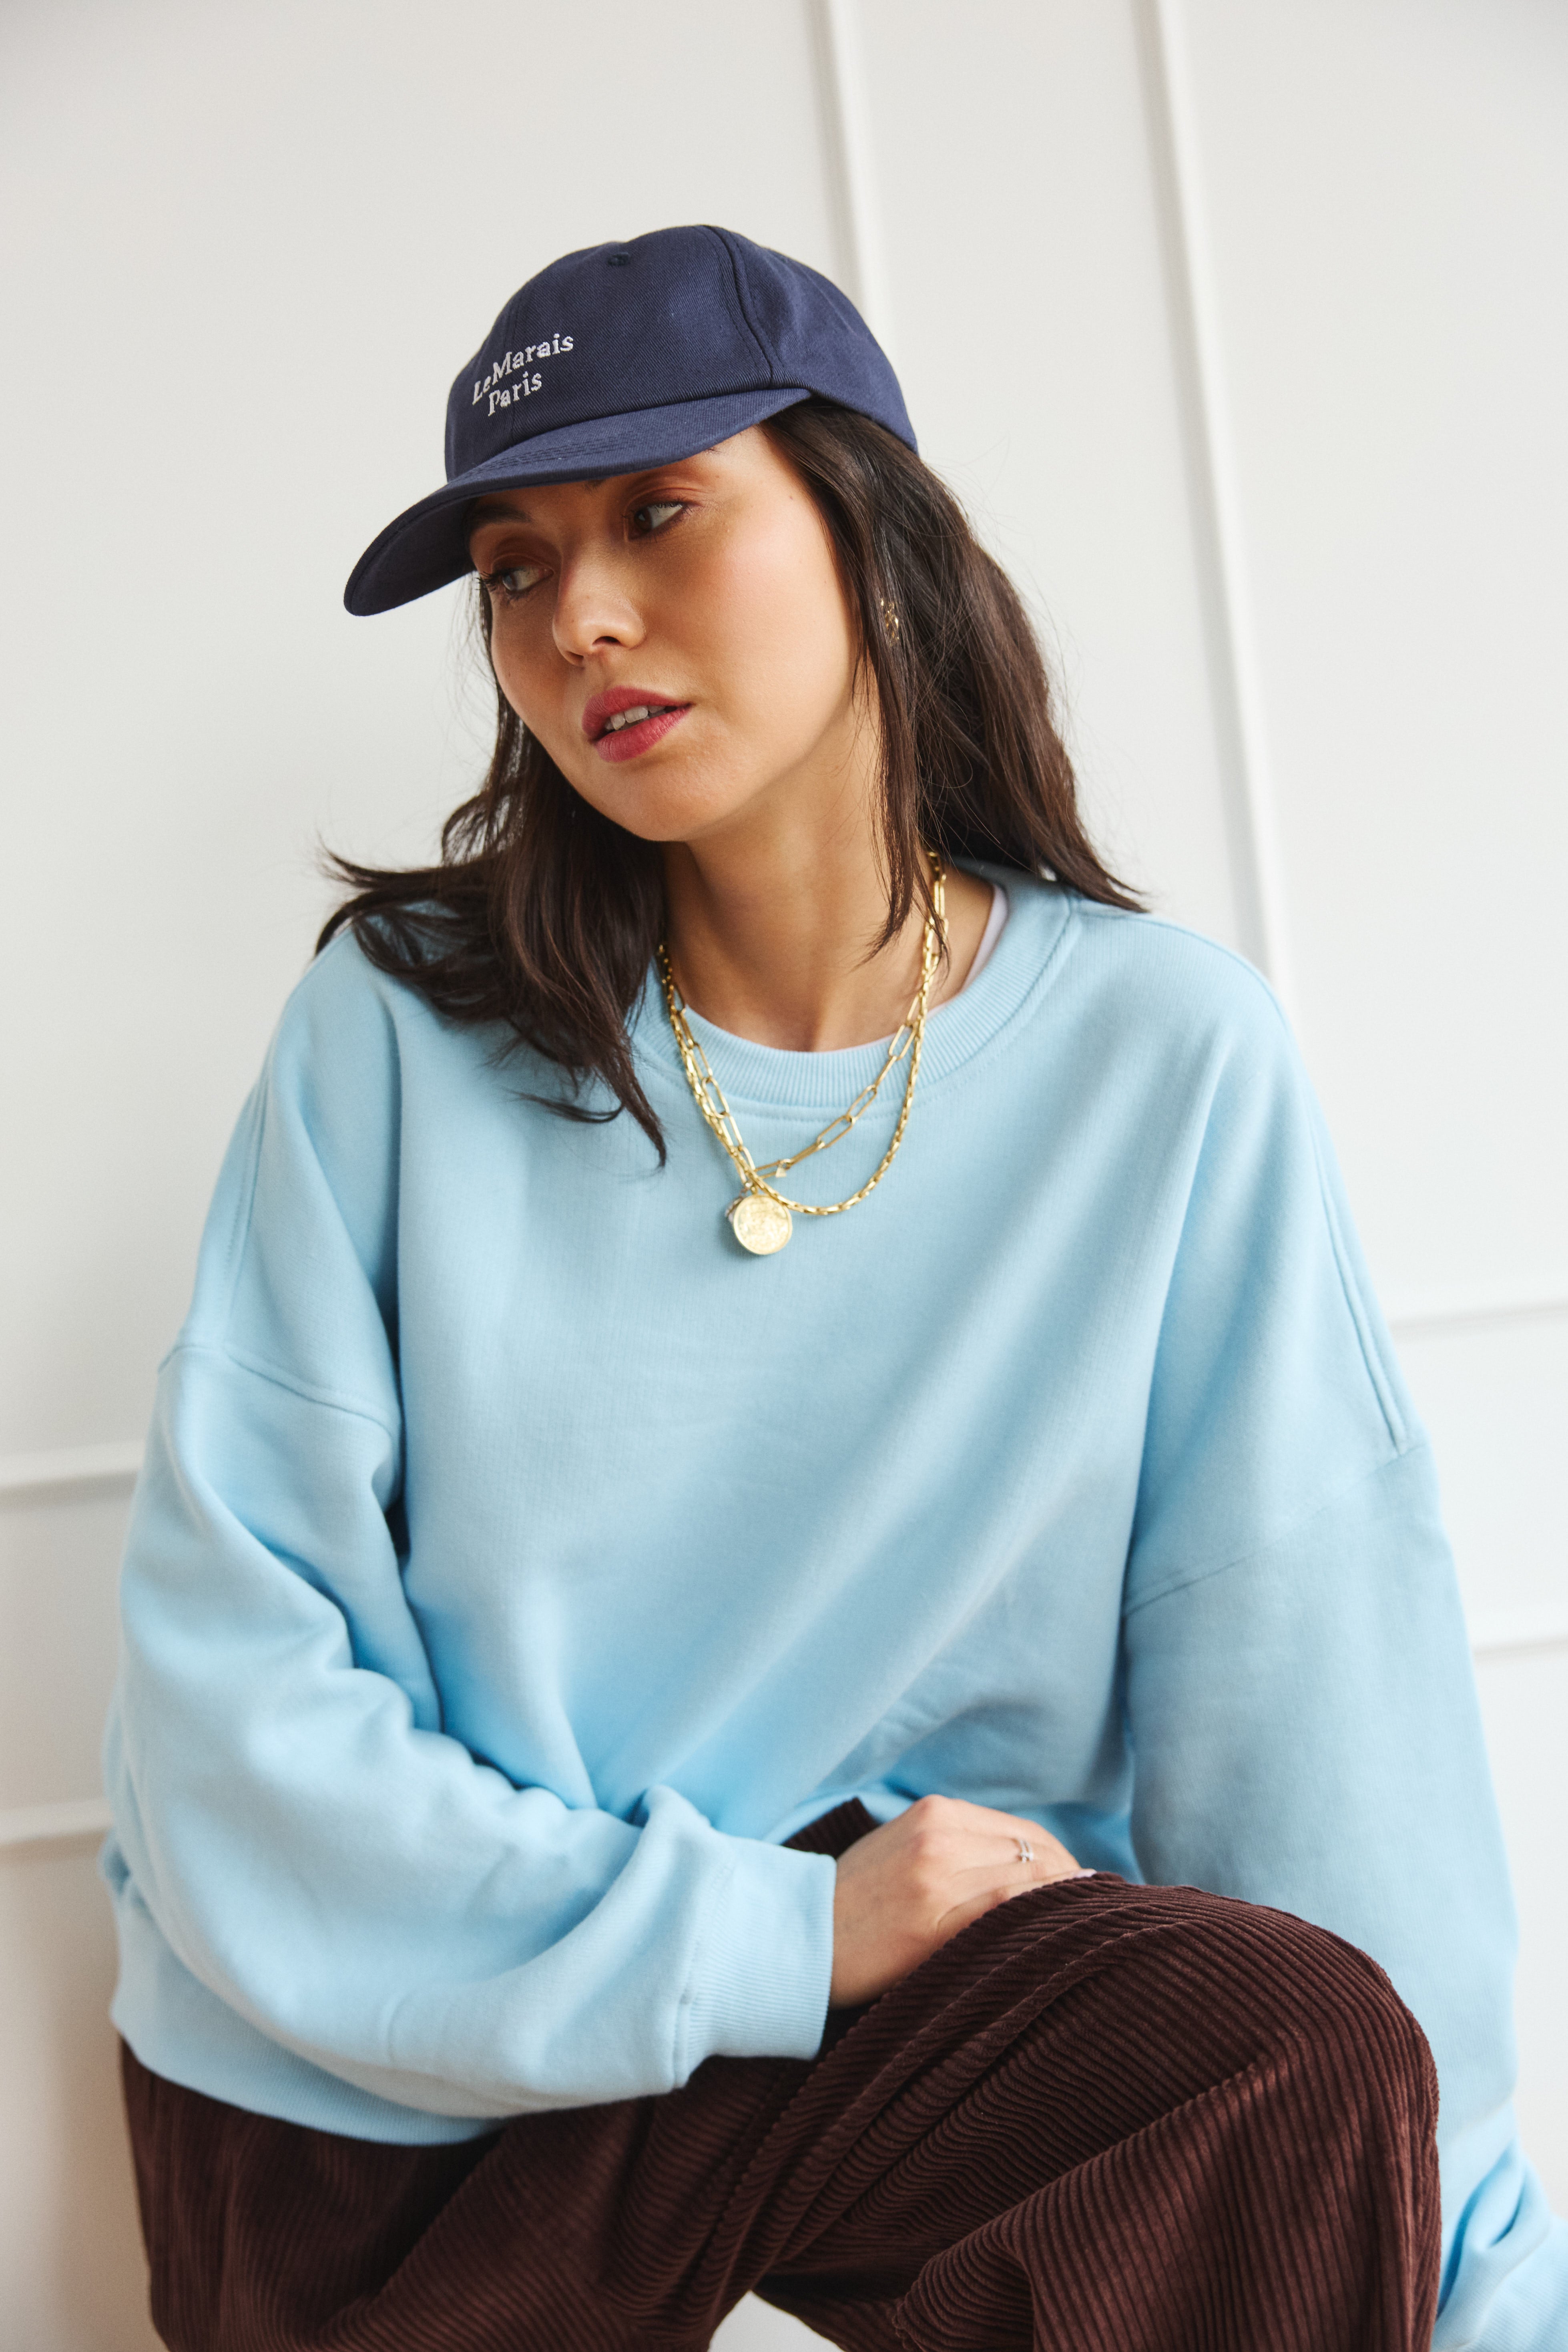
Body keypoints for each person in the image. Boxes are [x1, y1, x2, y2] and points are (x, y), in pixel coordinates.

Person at [103, 225, 1566, 2351]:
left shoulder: (1162, 1062)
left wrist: (1483, 2291)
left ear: (869, 529)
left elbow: (1324, 1720)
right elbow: (234, 1711)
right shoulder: (400, 1032)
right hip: (390, 2075)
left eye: (658, 513)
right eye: (514, 567)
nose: (578, 616)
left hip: (861, 2012)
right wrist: (777, 1931)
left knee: (1282, 2053)